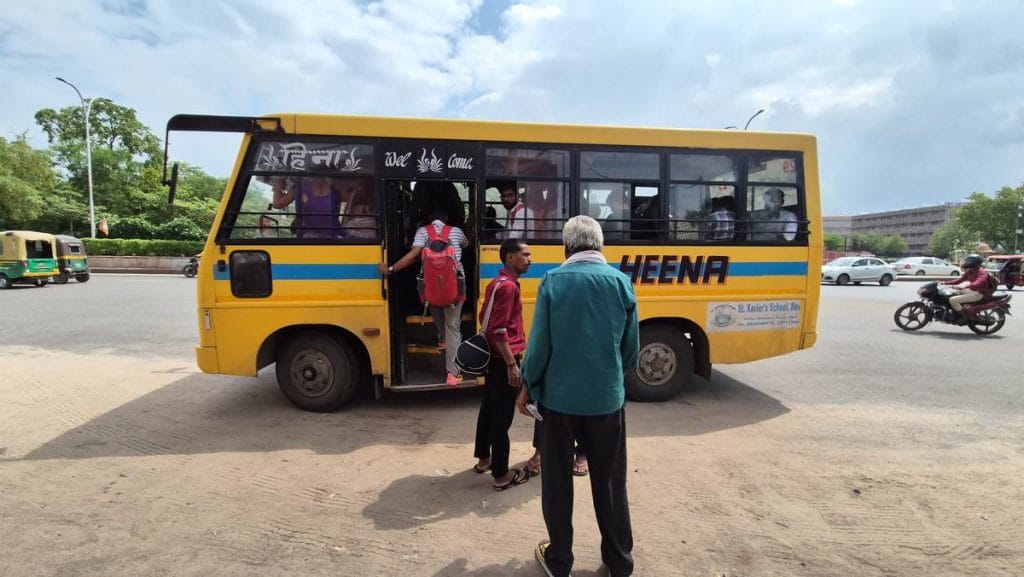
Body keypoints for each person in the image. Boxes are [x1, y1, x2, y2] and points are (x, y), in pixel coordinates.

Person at [518, 215, 639, 577]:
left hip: (559, 402)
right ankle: (618, 562)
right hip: (607, 401)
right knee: (611, 483)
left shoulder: (553, 282)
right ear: (601, 247)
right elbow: (631, 350)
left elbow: (538, 348)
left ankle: (560, 560)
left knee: (557, 482)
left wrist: (528, 386)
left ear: (566, 248)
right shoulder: (621, 283)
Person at [379, 208, 468, 386]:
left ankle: (441, 338)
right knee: (453, 328)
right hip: (455, 286)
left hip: (430, 285)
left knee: (435, 307)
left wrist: (390, 269)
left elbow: (413, 256)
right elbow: (467, 245)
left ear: (429, 217)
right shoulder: (456, 231)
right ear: (446, 217)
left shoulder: (422, 232)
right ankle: (453, 373)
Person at [472, 238, 533, 491]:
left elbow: (484, 318)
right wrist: (512, 364)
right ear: (510, 257)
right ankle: (501, 475)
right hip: (503, 359)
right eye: (525, 254)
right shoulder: (509, 288)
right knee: (501, 418)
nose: (530, 259)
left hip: (493, 358)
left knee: (488, 409)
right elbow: (498, 330)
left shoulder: (496, 283)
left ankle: (484, 459)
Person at [271, 176, 343, 239]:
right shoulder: (335, 191)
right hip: (334, 239)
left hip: (308, 240)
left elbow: (277, 204)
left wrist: (280, 182)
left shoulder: (299, 188)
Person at [942, 253, 993, 318]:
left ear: (974, 262)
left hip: (979, 294)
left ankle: (962, 316)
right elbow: (959, 280)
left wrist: (966, 286)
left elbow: (979, 282)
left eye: (969, 261)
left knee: (953, 300)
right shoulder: (970, 271)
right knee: (951, 292)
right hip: (972, 291)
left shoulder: (981, 272)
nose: (967, 263)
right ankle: (955, 309)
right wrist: (946, 283)